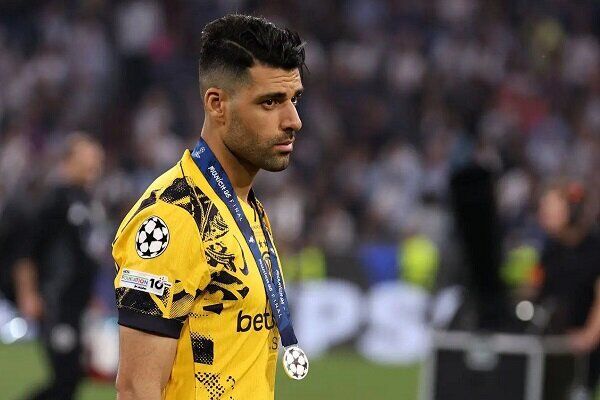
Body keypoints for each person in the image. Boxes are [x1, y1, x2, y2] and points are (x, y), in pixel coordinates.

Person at [112, 14, 306, 400]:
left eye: (294, 99)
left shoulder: (245, 207)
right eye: (270, 102)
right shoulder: (173, 217)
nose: (293, 121)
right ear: (217, 104)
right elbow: (136, 388)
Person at [13, 132, 104, 400]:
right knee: (66, 378)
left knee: (73, 378)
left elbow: (84, 253)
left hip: (76, 303)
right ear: (69, 160)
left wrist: (91, 294)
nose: (95, 165)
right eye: (88, 158)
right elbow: (25, 251)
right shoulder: (52, 199)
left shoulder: (86, 200)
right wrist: (28, 294)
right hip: (56, 301)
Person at [537, 181, 600, 393]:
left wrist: (589, 335)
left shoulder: (595, 249)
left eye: (550, 208)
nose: (544, 214)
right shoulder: (550, 251)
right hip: (558, 348)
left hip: (588, 357)